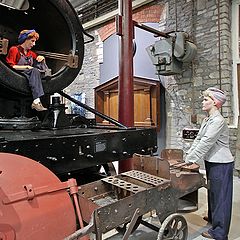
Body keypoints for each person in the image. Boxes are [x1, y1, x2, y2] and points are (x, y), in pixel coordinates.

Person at [185, 87, 234, 240]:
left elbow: (207, 142)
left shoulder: (218, 121)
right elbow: (199, 139)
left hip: (221, 163)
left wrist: (191, 159)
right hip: (211, 161)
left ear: (215, 102)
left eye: (206, 99)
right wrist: (188, 156)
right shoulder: (207, 120)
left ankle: (219, 232)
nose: (203, 101)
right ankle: (214, 218)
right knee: (213, 192)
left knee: (221, 197)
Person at [6, 29, 48, 111]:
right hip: (17, 75)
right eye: (32, 41)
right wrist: (27, 67)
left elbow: (41, 68)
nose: (34, 44)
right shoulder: (14, 49)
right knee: (34, 71)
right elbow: (10, 67)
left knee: (37, 70)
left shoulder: (31, 54)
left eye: (34, 41)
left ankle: (37, 101)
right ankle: (36, 102)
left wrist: (42, 60)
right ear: (25, 39)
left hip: (29, 76)